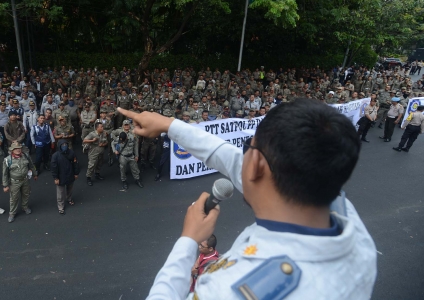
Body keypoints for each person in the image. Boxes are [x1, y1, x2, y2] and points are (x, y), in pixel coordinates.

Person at [117, 99, 376, 299]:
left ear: (256, 165)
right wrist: (169, 125)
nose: (242, 158)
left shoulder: (230, 290)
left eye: (248, 149)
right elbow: (229, 158)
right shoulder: (347, 221)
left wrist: (188, 241)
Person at [2, 141, 37, 223]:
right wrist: (5, 185)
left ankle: (25, 207)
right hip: (14, 182)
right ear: (12, 150)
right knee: (14, 198)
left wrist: (35, 174)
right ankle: (12, 213)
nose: (18, 150)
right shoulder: (7, 160)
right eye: (16, 149)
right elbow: (4, 174)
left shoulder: (25, 156)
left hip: (25, 179)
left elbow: (31, 165)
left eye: (19, 148)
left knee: (26, 194)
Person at [51, 139, 80, 215]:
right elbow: (54, 168)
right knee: (60, 192)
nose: (64, 146)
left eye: (65, 144)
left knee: (70, 189)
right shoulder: (56, 156)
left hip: (70, 174)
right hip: (61, 176)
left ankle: (69, 199)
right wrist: (56, 178)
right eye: (62, 145)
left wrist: (76, 173)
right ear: (59, 146)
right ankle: (61, 206)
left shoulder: (71, 153)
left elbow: (75, 163)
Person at [112, 120, 142, 189]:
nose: (126, 126)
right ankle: (124, 181)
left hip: (131, 155)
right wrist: (115, 151)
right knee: (122, 169)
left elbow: (135, 145)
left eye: (127, 125)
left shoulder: (132, 135)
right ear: (123, 126)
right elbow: (113, 143)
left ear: (129, 125)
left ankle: (137, 180)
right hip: (123, 156)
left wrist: (136, 155)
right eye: (125, 125)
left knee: (134, 168)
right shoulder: (121, 135)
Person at [83, 122, 108, 186]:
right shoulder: (92, 134)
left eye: (102, 127)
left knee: (99, 163)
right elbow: (84, 140)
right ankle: (88, 177)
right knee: (91, 165)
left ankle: (97, 173)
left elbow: (106, 142)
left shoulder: (103, 133)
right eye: (101, 127)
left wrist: (103, 144)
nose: (103, 128)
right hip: (93, 152)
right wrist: (92, 141)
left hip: (101, 151)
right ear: (97, 128)